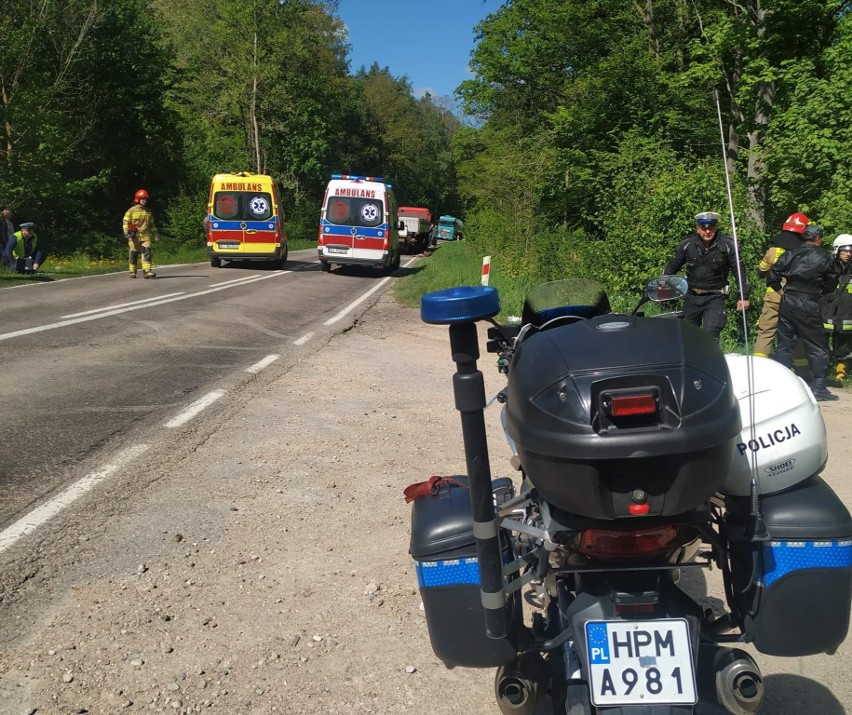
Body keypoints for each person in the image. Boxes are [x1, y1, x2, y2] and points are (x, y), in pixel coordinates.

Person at [768, 224, 839, 401]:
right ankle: (818, 387)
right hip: (808, 302)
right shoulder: (825, 257)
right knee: (817, 345)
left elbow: (772, 275)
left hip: (788, 300)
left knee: (785, 343)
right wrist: (821, 292)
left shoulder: (790, 253)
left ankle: (777, 383)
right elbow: (831, 283)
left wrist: (781, 291)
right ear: (818, 238)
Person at [664, 211, 750, 343]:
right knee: (688, 336)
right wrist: (663, 285)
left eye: (711, 228)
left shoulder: (728, 245)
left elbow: (739, 272)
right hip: (692, 295)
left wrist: (743, 296)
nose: (707, 232)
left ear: (716, 228)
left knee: (711, 334)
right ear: (698, 229)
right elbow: (673, 266)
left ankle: (710, 362)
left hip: (715, 296)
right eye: (704, 228)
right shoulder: (688, 244)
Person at [754, 212, 810, 358]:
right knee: (798, 333)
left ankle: (759, 367)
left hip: (773, 295)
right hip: (796, 297)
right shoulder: (805, 251)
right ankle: (802, 373)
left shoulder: (773, 250)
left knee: (766, 332)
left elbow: (761, 270)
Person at [822, 234, 852, 386]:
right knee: (822, 344)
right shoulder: (828, 267)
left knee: (844, 346)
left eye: (851, 251)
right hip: (827, 312)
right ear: (837, 250)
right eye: (845, 250)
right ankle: (820, 373)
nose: (848, 254)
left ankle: (841, 373)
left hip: (846, 315)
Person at [123, 188, 159, 278]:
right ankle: (132, 271)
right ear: (137, 199)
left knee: (147, 253)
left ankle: (147, 272)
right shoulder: (131, 211)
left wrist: (155, 234)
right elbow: (125, 222)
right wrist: (126, 233)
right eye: (142, 199)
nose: (144, 201)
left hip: (146, 236)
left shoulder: (148, 211)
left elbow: (152, 224)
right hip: (134, 236)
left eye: (145, 199)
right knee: (133, 254)